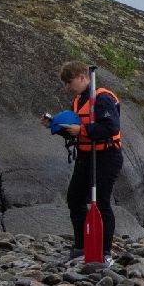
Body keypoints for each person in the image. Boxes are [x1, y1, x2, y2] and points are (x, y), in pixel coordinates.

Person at [53, 60, 123, 263]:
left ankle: (105, 252)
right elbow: (77, 131)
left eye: (70, 81)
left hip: (106, 157)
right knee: (75, 199)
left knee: (101, 202)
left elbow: (111, 128)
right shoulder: (78, 100)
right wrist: (58, 128)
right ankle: (81, 247)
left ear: (83, 77)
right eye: (65, 83)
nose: (67, 87)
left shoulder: (101, 98)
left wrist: (82, 131)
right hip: (85, 156)